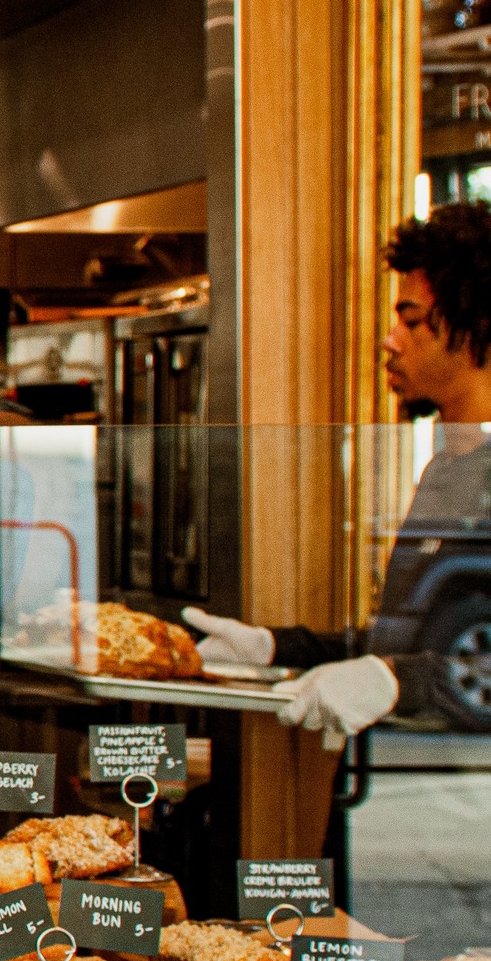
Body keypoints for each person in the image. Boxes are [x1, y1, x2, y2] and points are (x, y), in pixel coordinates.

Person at [185, 202, 491, 744]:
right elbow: (403, 646)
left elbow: (432, 669)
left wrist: (397, 682)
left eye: (413, 320)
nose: (390, 341)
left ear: (477, 326)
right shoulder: (449, 466)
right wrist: (275, 648)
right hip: (384, 806)